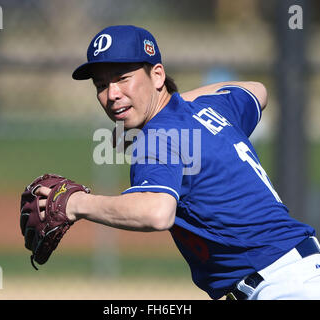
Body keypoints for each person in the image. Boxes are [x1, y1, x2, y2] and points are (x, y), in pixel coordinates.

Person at [36, 25, 320, 300]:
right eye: (101, 84)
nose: (111, 95)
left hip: (283, 287)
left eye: (123, 78)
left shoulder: (159, 135)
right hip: (298, 272)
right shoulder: (210, 108)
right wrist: (177, 102)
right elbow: (257, 90)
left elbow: (156, 212)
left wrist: (75, 204)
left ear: (157, 75)